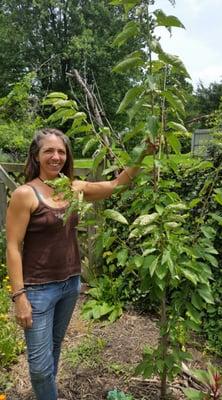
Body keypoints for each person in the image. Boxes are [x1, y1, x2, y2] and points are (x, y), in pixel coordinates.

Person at [6, 128, 157, 400]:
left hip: (70, 285)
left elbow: (114, 185)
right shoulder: (25, 194)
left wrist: (142, 155)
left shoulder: (74, 188)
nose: (56, 157)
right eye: (48, 151)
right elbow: (13, 247)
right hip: (38, 290)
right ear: (36, 156)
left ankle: (47, 394)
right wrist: (19, 296)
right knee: (40, 368)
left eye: (61, 151)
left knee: (53, 349)